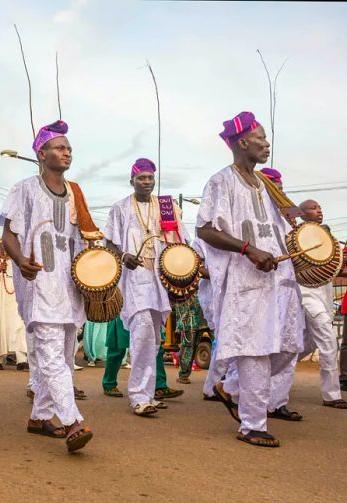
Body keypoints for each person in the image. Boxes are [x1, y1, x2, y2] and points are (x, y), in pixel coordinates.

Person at [196, 111, 304, 448]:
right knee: (255, 351)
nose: (266, 143)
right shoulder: (221, 182)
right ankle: (252, 424)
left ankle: (232, 388)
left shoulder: (265, 185)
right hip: (244, 282)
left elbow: (281, 230)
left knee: (290, 346)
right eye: (261, 137)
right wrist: (248, 250)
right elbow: (205, 229)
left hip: (277, 280)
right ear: (243, 142)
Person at [0, 119, 94, 453]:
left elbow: (86, 237)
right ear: (42, 153)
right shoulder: (25, 189)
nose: (66, 152)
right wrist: (20, 261)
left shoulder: (76, 193)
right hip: (38, 281)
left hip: (69, 287)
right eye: (59, 147)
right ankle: (71, 421)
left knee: (63, 356)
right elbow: (8, 234)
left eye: (68, 147)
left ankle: (40, 417)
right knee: (52, 354)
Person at [104, 158, 188, 416]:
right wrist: (123, 256)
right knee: (141, 335)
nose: (147, 182)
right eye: (141, 178)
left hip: (159, 281)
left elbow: (178, 241)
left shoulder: (165, 206)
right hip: (136, 279)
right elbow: (109, 243)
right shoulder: (120, 208)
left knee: (153, 339)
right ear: (132, 181)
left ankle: (148, 393)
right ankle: (139, 397)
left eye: (151, 177)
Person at [292, 199, 345, 409]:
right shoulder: (297, 237)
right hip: (306, 294)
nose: (319, 211)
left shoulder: (329, 238)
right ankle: (332, 395)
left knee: (307, 344)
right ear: (302, 213)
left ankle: (272, 371)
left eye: (320, 207)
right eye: (313, 208)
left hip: (324, 293)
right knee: (328, 340)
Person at [0, 239, 28, 371]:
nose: (5, 249)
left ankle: (21, 360)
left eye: (7, 247)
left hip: (14, 300)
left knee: (18, 328)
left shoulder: (16, 263)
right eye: (2, 247)